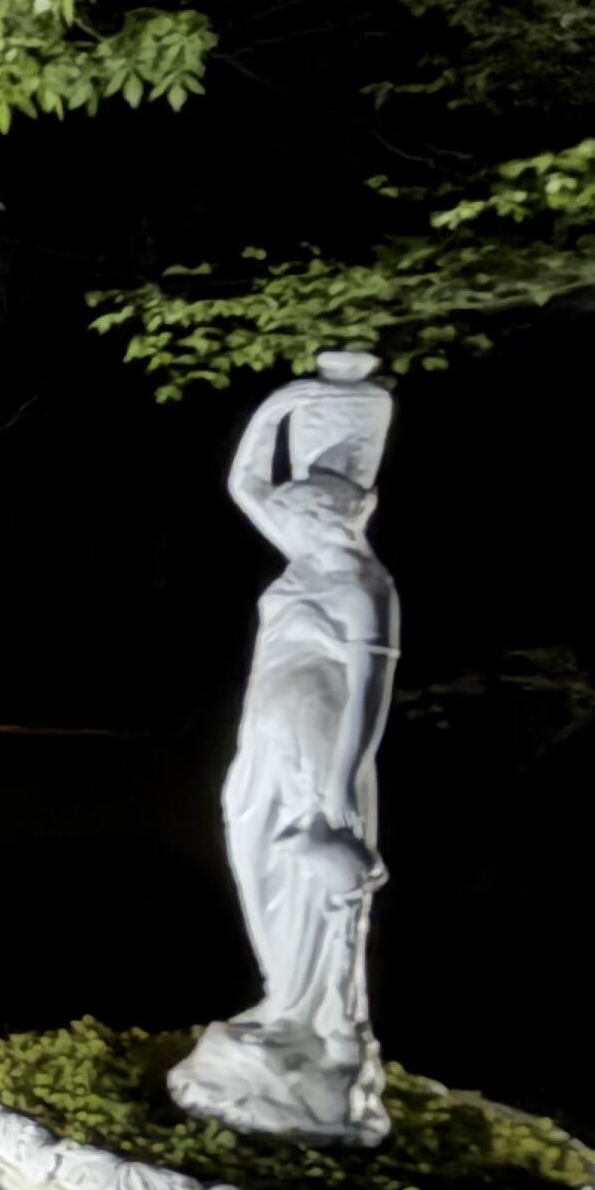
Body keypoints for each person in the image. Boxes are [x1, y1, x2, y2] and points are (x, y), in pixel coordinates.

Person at [169, 353, 399, 1148]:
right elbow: (244, 485)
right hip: (265, 732)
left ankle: (318, 1015)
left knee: (314, 875)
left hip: (317, 745)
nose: (286, 523)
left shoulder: (361, 585)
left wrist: (340, 786)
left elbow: (369, 694)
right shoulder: (303, 557)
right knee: (250, 843)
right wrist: (283, 403)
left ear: (333, 517)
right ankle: (279, 994)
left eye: (301, 516)